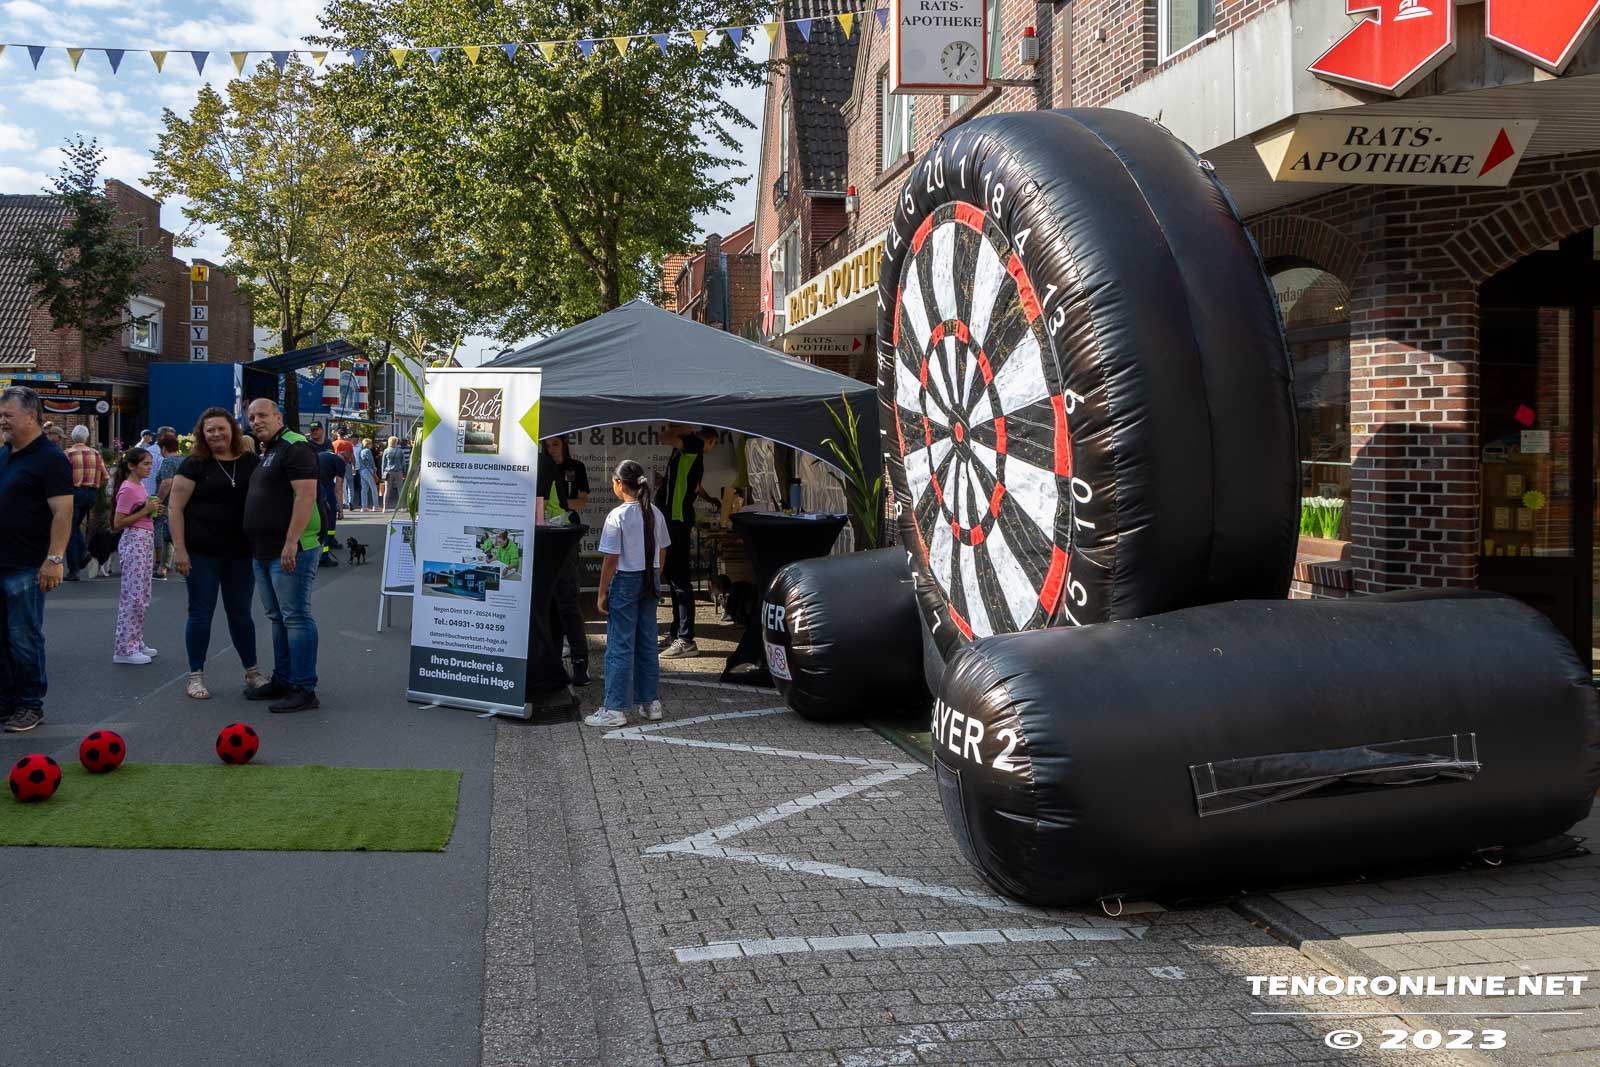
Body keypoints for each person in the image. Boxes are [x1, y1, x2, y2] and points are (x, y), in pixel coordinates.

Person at [169, 407, 267, 700]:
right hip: (201, 554)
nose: (216, 434)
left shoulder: (250, 462)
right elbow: (175, 508)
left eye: (221, 428)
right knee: (200, 614)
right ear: (202, 434)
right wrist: (180, 550)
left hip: (241, 553)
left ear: (232, 430)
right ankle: (195, 676)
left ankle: (252, 672)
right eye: (209, 430)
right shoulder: (193, 464)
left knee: (241, 615)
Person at [243, 398, 324, 713]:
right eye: (251, 417)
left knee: (296, 616)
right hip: (263, 550)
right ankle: (284, 679)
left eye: (262, 415)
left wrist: (291, 543)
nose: (256, 421)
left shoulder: (295, 446)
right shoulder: (270, 449)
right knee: (278, 617)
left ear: (279, 416)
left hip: (290, 549)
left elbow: (306, 496)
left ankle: (304, 689)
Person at [0, 387, 73, 732]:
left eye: (7, 415)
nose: (2, 421)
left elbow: (63, 513)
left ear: (31, 416)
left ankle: (30, 705)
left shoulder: (51, 458)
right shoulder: (5, 454)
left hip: (27, 564)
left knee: (23, 637)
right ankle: (6, 701)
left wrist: (54, 559)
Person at [584, 459, 670, 728]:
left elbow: (611, 559)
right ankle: (651, 703)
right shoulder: (655, 512)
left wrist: (601, 592)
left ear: (620, 484)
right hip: (650, 577)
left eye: (614, 481)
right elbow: (663, 550)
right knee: (647, 642)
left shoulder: (617, 515)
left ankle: (614, 708)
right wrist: (655, 575)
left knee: (620, 645)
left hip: (626, 579)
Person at [537, 434, 591, 685]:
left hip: (559, 538)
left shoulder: (560, 466)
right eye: (547, 445)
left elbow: (541, 505)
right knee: (553, 604)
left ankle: (579, 663)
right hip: (550, 537)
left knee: (566, 602)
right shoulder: (541, 463)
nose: (550, 449)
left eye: (555, 444)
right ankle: (557, 663)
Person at [654, 425, 710, 659]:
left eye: (674, 424)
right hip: (670, 520)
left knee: (680, 580)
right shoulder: (680, 450)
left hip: (678, 521)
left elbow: (665, 436)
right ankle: (676, 632)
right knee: (673, 579)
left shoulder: (694, 443)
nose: (669, 427)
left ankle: (686, 639)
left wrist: (672, 428)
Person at [110, 447, 162, 666]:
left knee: (142, 594)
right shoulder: (128, 488)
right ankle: (125, 647)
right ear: (132, 466)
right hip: (135, 540)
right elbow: (118, 522)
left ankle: (135, 640)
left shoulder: (139, 486)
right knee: (133, 595)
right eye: (145, 464)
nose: (150, 468)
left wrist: (150, 510)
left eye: (150, 463)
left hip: (144, 538)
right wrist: (145, 511)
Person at [64, 424, 108, 582]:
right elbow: (106, 477)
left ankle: (74, 568)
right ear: (87, 438)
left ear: (72, 437)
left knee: (69, 530)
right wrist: (96, 486)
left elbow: (62, 476)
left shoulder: (67, 453)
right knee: (74, 526)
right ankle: (83, 552)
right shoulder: (95, 453)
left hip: (73, 492)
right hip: (90, 494)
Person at [151, 432, 184, 580]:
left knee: (168, 535)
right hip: (184, 503)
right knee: (173, 535)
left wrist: (157, 500)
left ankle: (163, 568)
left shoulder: (168, 462)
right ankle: (164, 567)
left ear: (164, 448)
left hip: (170, 504)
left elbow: (166, 482)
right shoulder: (184, 460)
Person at [314, 443, 347, 567]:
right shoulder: (340, 463)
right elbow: (338, 488)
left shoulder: (325, 455)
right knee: (327, 519)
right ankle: (323, 555)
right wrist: (340, 510)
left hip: (311, 483)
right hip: (322, 486)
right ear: (346, 461)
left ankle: (329, 542)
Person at [381, 435, 406, 509]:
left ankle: (384, 507)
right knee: (400, 489)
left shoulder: (386, 450)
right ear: (396, 442)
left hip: (388, 472)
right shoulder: (400, 451)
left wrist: (383, 473)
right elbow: (403, 463)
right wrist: (404, 472)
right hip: (398, 471)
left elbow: (384, 463)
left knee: (387, 490)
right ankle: (401, 507)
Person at [332, 430, 356, 507]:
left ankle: (337, 501)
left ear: (338, 434)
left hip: (336, 464)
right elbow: (352, 456)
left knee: (337, 484)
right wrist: (354, 466)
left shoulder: (334, 443)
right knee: (350, 484)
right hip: (347, 464)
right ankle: (350, 501)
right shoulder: (348, 444)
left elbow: (331, 455)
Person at [356, 437, 379, 511]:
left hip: (362, 470)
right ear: (368, 444)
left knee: (364, 489)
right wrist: (374, 468)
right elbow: (371, 461)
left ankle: (364, 507)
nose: (371, 445)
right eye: (370, 443)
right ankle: (375, 506)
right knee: (374, 488)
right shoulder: (368, 451)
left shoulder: (361, 451)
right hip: (368, 470)